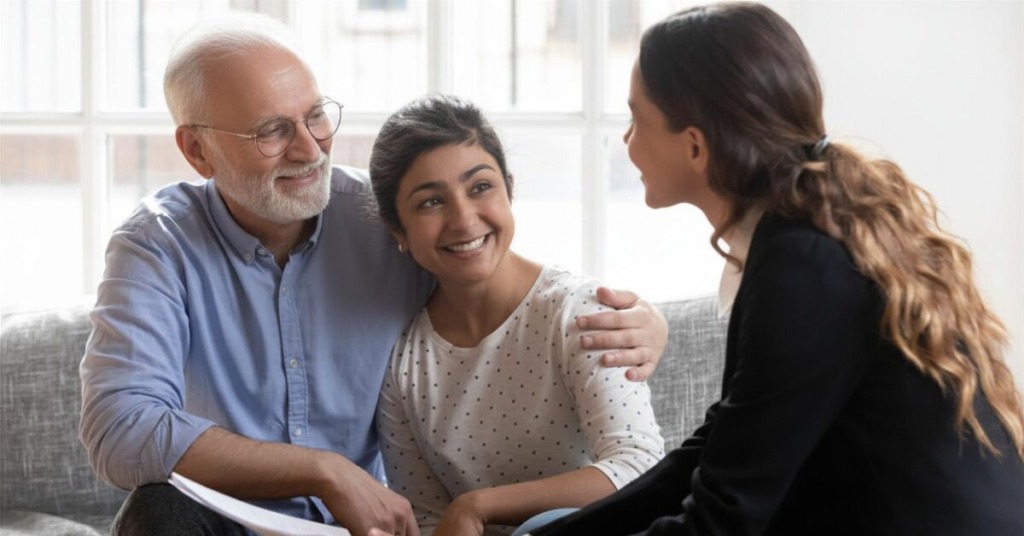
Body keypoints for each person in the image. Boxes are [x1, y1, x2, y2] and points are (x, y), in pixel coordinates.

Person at [77, 11, 669, 536]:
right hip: (227, 524)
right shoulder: (156, 245)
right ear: (198, 151)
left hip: (365, 531)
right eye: (272, 131)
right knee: (157, 512)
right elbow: (120, 430)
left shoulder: (389, 219)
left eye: (314, 117)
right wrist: (323, 470)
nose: (309, 150)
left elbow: (492, 277)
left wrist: (640, 317)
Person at [521, 2, 1024, 535]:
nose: (626, 142)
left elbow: (722, 517)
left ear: (695, 146)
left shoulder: (803, 265)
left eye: (636, 120)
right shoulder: (806, 234)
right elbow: (716, 447)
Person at [367, 94, 666, 536]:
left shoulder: (577, 312)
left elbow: (639, 467)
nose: (464, 219)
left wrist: (478, 506)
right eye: (431, 202)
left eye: (480, 187)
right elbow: (430, 520)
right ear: (398, 230)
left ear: (508, 187)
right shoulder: (404, 365)